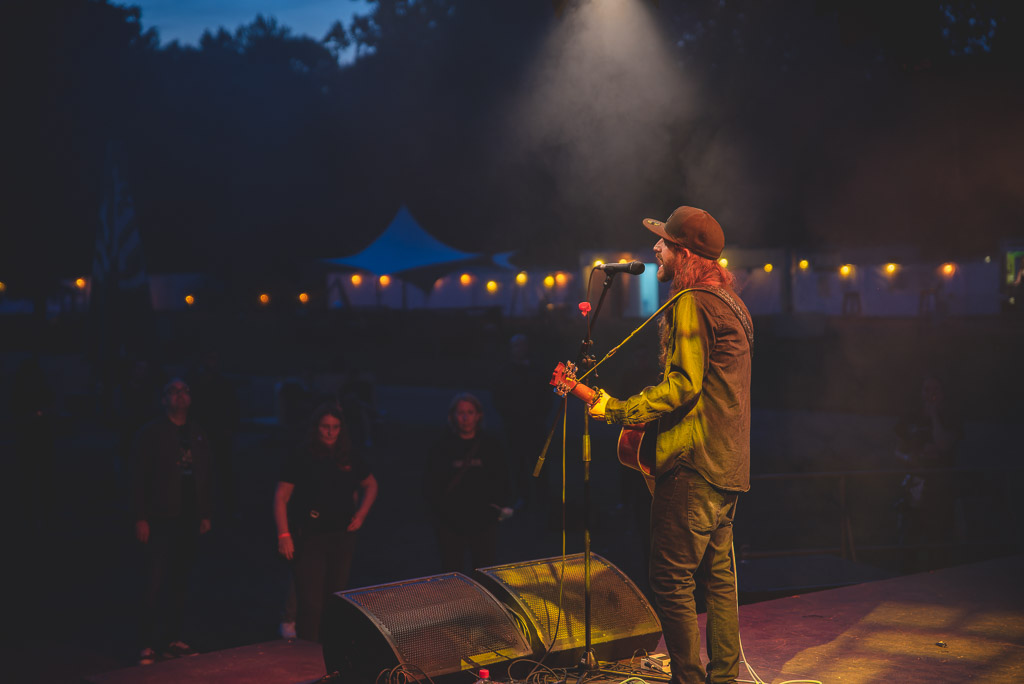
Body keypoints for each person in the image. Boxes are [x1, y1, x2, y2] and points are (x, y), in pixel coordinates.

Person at [587, 206, 752, 684]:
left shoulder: (691, 302)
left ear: (684, 252)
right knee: (718, 581)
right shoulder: (732, 304)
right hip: (729, 463)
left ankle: (689, 679)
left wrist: (614, 409)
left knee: (671, 580)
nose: (654, 248)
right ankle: (724, 677)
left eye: (663, 242)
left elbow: (683, 384)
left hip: (693, 464)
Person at [274, 402, 378, 642]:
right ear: (316, 428)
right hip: (310, 536)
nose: (330, 432)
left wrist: (361, 515)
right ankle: (306, 650)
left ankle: (328, 649)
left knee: (335, 597)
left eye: (335, 427)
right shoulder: (302, 456)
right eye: (325, 427)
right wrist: (284, 534)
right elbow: (281, 496)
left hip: (341, 536)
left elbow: (371, 484)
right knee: (310, 602)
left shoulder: (348, 455)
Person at [132, 378, 213, 665]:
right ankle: (146, 643)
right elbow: (138, 477)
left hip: (188, 518)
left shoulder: (197, 433)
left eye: (185, 391)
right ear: (164, 398)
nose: (180, 396)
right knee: (154, 580)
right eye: (173, 391)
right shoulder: (151, 433)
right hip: (160, 518)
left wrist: (204, 513)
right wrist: (140, 516)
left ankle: (172, 638)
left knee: (180, 580)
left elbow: (204, 475)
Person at [425, 393, 513, 573]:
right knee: (452, 573)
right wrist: (440, 513)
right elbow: (431, 483)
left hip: (483, 522)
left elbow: (503, 478)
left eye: (470, 412)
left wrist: (497, 508)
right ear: (452, 416)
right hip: (450, 523)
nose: (465, 418)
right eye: (461, 412)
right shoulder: (442, 447)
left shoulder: (490, 446)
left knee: (484, 574)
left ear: (478, 415)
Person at [894, 375, 962, 573]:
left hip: (942, 486)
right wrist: (911, 459)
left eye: (935, 389)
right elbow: (896, 450)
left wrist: (934, 416)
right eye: (926, 389)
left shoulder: (951, 417)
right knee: (911, 535)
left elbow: (944, 445)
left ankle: (943, 581)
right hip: (916, 485)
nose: (930, 394)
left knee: (940, 539)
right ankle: (907, 580)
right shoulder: (910, 417)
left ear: (943, 393)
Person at [491, 334, 554, 510]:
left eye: (522, 345)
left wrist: (540, 415)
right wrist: (510, 416)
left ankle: (542, 497)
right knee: (517, 462)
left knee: (538, 462)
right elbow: (498, 397)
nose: (519, 349)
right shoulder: (504, 372)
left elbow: (546, 396)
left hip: (535, 425)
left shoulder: (536, 371)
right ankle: (523, 497)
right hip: (514, 426)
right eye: (516, 346)